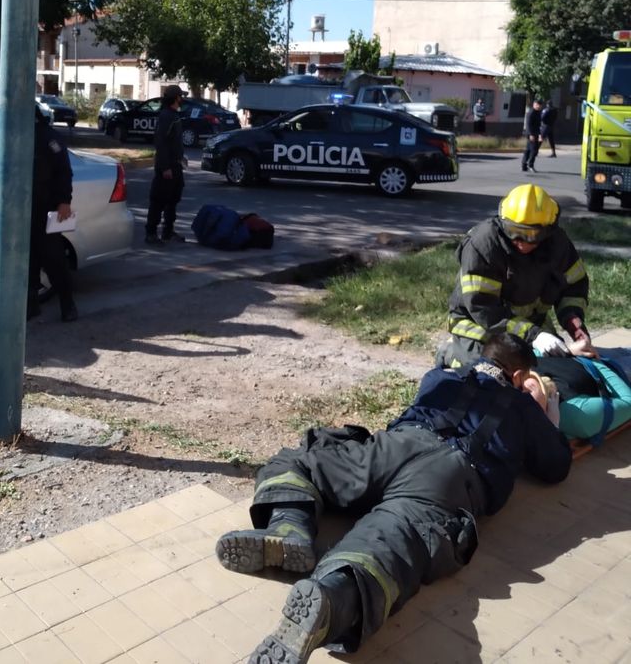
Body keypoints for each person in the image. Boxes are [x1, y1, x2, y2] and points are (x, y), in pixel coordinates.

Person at [216, 334, 571, 664]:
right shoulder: (523, 408)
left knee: (302, 462)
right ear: (521, 374)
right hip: (452, 474)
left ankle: (289, 526)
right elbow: (555, 467)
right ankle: (333, 599)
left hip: (396, 445)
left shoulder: (440, 379)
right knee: (395, 536)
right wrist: (543, 412)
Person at [438, 183, 590, 370]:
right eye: (514, 232)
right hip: (480, 325)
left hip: (529, 323)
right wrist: (535, 336)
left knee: (554, 368)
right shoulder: (484, 245)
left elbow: (574, 287)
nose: (521, 242)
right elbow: (484, 308)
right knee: (491, 371)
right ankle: (450, 352)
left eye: (532, 234)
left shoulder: (558, 244)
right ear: (503, 221)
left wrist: (574, 324)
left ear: (548, 230)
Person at [28, 108, 77, 322]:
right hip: (24, 209)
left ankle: (68, 305)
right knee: (27, 261)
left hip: (46, 207)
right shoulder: (17, 135)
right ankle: (30, 306)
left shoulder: (49, 138)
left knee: (54, 260)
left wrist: (64, 201)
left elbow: (64, 171)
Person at [145, 85, 187, 244]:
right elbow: (161, 142)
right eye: (180, 96)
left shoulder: (174, 115)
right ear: (176, 98)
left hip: (176, 165)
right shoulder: (166, 116)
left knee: (173, 199)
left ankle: (168, 231)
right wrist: (165, 167)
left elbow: (173, 142)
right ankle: (151, 233)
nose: (182, 98)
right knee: (159, 200)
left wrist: (181, 158)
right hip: (167, 166)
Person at [521, 97, 542, 172]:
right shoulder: (531, 113)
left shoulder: (538, 113)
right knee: (534, 150)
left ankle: (524, 165)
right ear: (534, 104)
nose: (538, 106)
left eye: (540, 105)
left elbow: (539, 125)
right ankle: (530, 165)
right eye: (537, 105)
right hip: (531, 134)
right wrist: (531, 134)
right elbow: (528, 125)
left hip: (535, 133)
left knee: (528, 150)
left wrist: (539, 135)